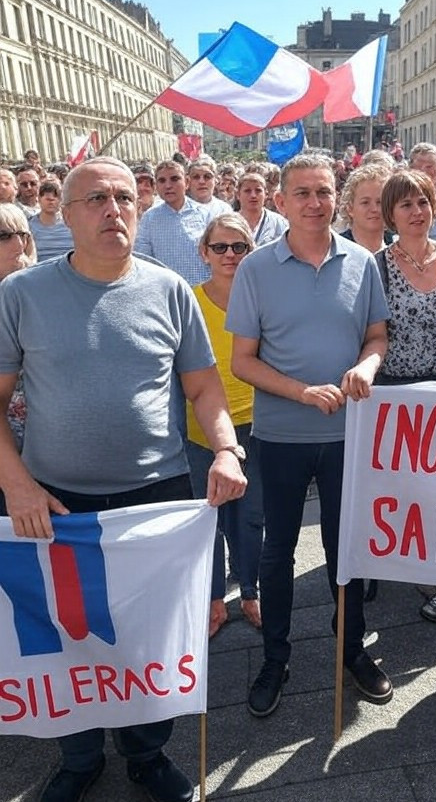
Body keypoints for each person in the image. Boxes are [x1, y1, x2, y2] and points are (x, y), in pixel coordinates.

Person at [0, 156, 247, 802]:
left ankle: (145, 754)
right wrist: (17, 485)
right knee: (64, 640)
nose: (114, 210)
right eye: (96, 200)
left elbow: (204, 387)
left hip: (155, 500)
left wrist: (225, 449)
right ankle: (79, 756)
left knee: (151, 636)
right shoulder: (20, 296)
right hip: (58, 502)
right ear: (65, 213)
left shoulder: (169, 290)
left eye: (123, 200)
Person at [227, 152, 393, 718]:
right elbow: (242, 361)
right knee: (277, 553)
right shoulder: (255, 269)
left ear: (336, 199)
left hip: (350, 432)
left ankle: (352, 648)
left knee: (346, 546)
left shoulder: (361, 262)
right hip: (280, 436)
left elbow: (376, 336)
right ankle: (276, 656)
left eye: (324, 192)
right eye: (302, 193)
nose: (314, 203)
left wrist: (367, 367)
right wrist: (300, 391)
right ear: (281, 202)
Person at [376, 169, 436, 623]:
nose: (417, 212)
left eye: (424, 202)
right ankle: (414, 571)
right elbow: (369, 335)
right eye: (406, 204)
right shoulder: (377, 264)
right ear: (391, 213)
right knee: (406, 488)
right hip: (398, 394)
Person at [186, 214, 264, 635]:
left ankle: (250, 590)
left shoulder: (264, 297)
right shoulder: (189, 300)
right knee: (208, 519)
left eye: (240, 247)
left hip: (256, 423)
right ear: (205, 252)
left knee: (251, 517)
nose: (230, 255)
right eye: (221, 247)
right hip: (201, 430)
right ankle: (214, 597)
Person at [134, 159, 212, 285]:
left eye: (174, 179)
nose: (168, 185)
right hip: (167, 293)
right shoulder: (149, 219)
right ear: (156, 186)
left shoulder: (206, 215)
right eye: (162, 181)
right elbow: (143, 261)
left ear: (186, 182)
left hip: (202, 292)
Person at [0, 204, 36, 453]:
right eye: (4, 236)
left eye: (22, 234)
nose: (17, 243)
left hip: (40, 427)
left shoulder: (40, 289)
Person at [337, 163, 393, 252]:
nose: (374, 209)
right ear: (350, 208)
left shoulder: (400, 254)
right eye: (365, 202)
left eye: (380, 202)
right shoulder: (336, 251)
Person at [234, 170, 287, 246]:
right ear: (238, 195)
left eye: (258, 191)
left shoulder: (280, 223)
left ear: (266, 194)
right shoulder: (228, 223)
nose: (253, 195)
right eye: (247, 191)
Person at [28, 178, 73, 262]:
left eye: (55, 197)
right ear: (39, 198)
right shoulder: (29, 226)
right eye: (47, 198)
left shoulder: (72, 224)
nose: (51, 200)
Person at [408, 142, 436, 210]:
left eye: (429, 167)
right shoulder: (399, 196)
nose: (423, 171)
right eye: (418, 167)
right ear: (410, 168)